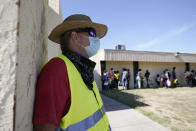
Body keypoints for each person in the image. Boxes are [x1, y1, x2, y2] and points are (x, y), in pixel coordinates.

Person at [33, 14, 110, 131]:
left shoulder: (85, 70)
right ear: (75, 37)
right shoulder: (57, 69)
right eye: (92, 33)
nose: (96, 39)